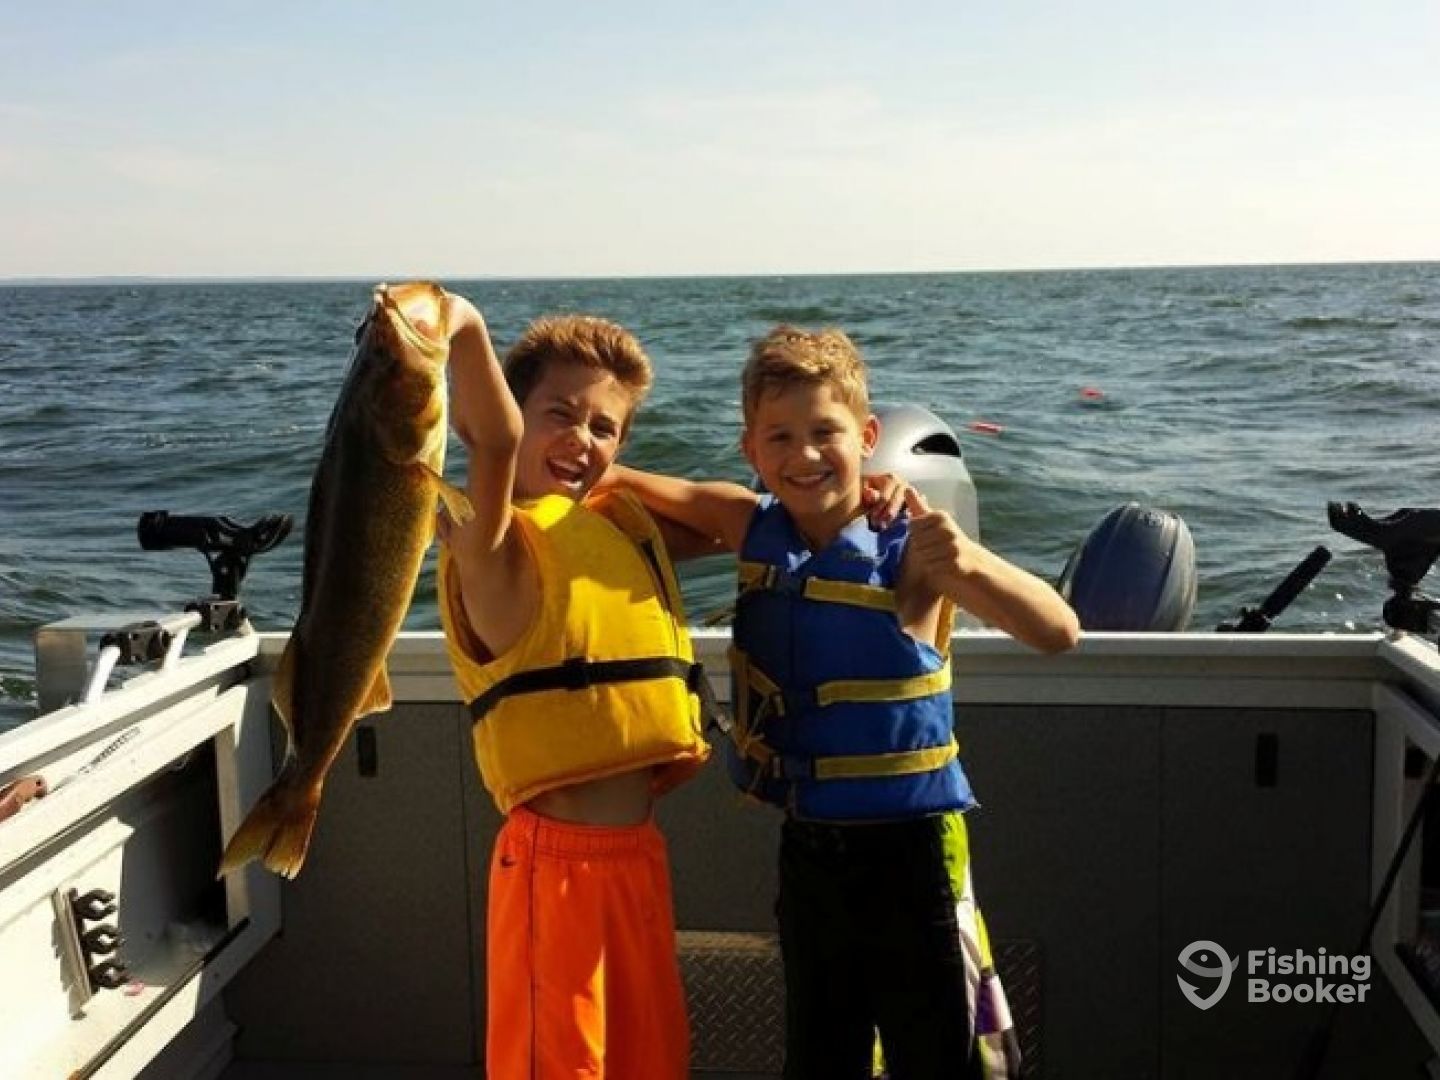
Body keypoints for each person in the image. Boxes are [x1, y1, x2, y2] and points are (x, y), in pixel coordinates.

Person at [601, 325, 1081, 1080]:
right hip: (811, 855)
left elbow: (1058, 631)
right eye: (780, 438)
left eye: (826, 432)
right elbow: (611, 482)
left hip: (915, 856)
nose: (805, 455)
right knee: (822, 1057)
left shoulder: (914, 549)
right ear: (751, 450)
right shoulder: (745, 523)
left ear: (867, 436)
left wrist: (968, 560)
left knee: (939, 1058)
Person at [432, 297, 717, 1080]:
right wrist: (464, 327)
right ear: (517, 414)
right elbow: (491, 440)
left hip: (637, 859)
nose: (581, 438)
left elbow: (739, 523)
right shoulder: (489, 545)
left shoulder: (612, 528)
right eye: (559, 414)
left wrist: (874, 497)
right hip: (554, 872)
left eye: (604, 428)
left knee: (652, 1064)